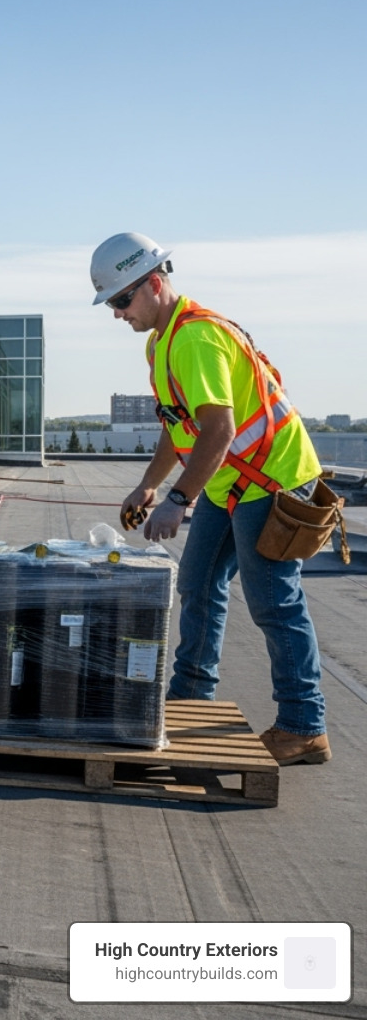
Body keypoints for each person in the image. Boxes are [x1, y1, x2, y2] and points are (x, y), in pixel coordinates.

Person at [95, 232, 329, 766]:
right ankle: (192, 698)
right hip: (231, 484)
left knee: (273, 602)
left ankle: (304, 725)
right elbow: (180, 426)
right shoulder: (162, 342)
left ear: (154, 284)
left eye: (121, 300)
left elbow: (219, 431)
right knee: (198, 585)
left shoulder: (196, 339)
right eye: (110, 303)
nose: (116, 313)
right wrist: (150, 485)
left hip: (271, 481)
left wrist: (179, 498)